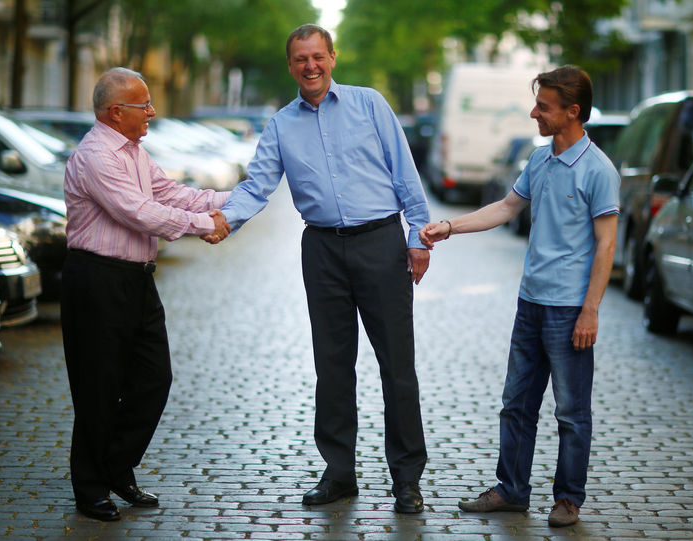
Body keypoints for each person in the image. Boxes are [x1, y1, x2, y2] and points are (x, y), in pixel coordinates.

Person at [216, 24, 430, 514]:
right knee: (332, 367)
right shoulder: (280, 125)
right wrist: (224, 221)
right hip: (322, 251)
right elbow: (256, 186)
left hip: (381, 242)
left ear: (332, 58)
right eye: (300, 59)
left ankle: (406, 479)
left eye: (318, 57)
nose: (310, 66)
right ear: (291, 66)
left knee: (397, 366)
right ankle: (339, 474)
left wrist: (419, 237)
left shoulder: (370, 104)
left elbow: (404, 172)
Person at [420, 66, 619, 527]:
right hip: (530, 304)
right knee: (516, 405)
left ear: (572, 112)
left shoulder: (598, 170)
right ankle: (512, 490)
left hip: (570, 310)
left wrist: (591, 310)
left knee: (570, 413)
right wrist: (450, 227)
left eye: (543, 107)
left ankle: (568, 499)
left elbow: (607, 245)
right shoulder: (540, 160)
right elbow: (507, 207)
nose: (534, 113)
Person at [60, 67, 232, 521]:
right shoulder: (97, 155)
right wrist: (204, 227)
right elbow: (138, 212)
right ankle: (90, 488)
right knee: (98, 387)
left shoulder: (134, 151)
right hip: (97, 280)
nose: (152, 112)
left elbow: (169, 193)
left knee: (154, 380)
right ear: (117, 112)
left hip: (136, 279)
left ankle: (116, 467)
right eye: (145, 105)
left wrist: (233, 200)